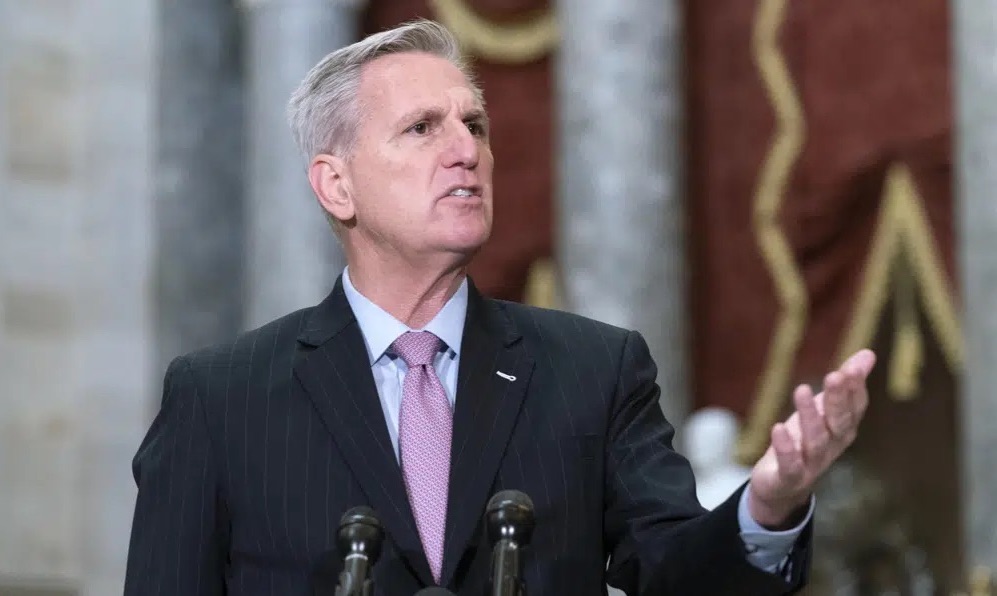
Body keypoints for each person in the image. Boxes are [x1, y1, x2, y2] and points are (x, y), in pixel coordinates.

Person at [123, 19, 876, 596]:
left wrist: (768, 507)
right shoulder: (219, 398)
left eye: (474, 126)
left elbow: (679, 578)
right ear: (336, 185)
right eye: (422, 128)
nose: (466, 151)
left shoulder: (594, 370)